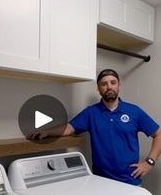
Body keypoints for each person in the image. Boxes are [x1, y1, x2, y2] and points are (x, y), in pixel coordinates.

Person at [29, 69, 161, 186]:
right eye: (104, 84)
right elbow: (69, 127)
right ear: (98, 88)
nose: (109, 87)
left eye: (113, 82)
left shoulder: (134, 111)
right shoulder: (91, 113)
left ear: (119, 85)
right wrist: (48, 131)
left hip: (130, 181)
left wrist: (149, 162)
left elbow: (158, 134)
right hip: (100, 182)